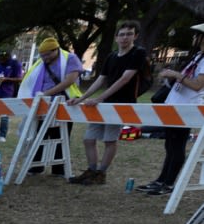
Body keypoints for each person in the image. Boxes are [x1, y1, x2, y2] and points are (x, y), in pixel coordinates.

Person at [66, 20, 148, 186]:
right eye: (122, 34)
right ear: (116, 37)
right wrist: (81, 98)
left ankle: (101, 173)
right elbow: (101, 79)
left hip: (121, 103)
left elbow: (125, 79)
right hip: (104, 103)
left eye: (129, 34)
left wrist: (99, 98)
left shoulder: (137, 53)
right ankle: (91, 170)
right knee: (89, 139)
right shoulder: (111, 56)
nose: (125, 38)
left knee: (110, 140)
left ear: (135, 36)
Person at [138, 23, 204, 196]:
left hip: (187, 108)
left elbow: (198, 86)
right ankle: (161, 180)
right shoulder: (197, 56)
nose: (193, 38)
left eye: (196, 35)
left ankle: (168, 184)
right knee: (170, 144)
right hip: (174, 104)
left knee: (177, 145)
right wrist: (171, 78)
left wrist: (176, 75)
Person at [20, 37, 83, 176]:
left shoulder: (70, 59)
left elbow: (69, 81)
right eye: (42, 55)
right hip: (43, 103)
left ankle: (58, 168)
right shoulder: (41, 62)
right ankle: (36, 166)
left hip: (64, 101)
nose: (44, 58)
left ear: (56, 50)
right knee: (38, 133)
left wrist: (46, 93)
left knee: (61, 134)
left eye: (48, 54)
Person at [0, 51, 23, 142]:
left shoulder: (15, 64)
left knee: (4, 115)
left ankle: (2, 135)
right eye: (0, 57)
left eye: (3, 58)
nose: (1, 59)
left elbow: (19, 78)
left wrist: (6, 79)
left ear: (8, 57)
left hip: (7, 92)